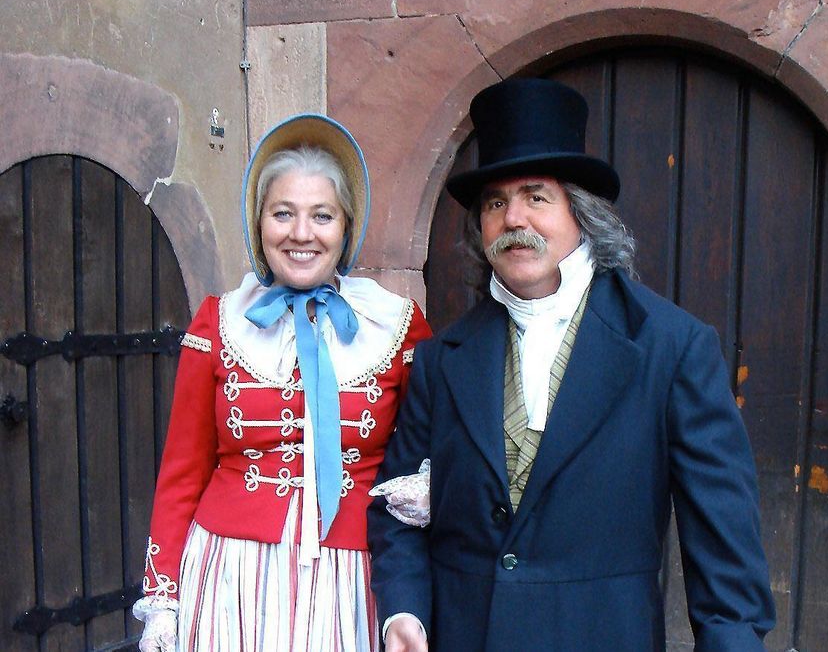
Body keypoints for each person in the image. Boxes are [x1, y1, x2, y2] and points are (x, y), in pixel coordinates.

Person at [368, 78, 775, 651]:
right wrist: (403, 611)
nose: (514, 219)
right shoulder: (441, 361)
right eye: (494, 202)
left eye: (536, 196)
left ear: (581, 214)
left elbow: (724, 543)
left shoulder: (670, 348)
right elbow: (397, 513)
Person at [132, 113, 431, 651]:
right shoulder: (217, 321)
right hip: (230, 577)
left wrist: (429, 484)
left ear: (347, 227)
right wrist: (163, 598)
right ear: (259, 223)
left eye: (322, 215)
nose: (301, 234)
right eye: (283, 214)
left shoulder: (398, 324)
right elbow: (181, 472)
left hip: (356, 580)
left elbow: (434, 440)